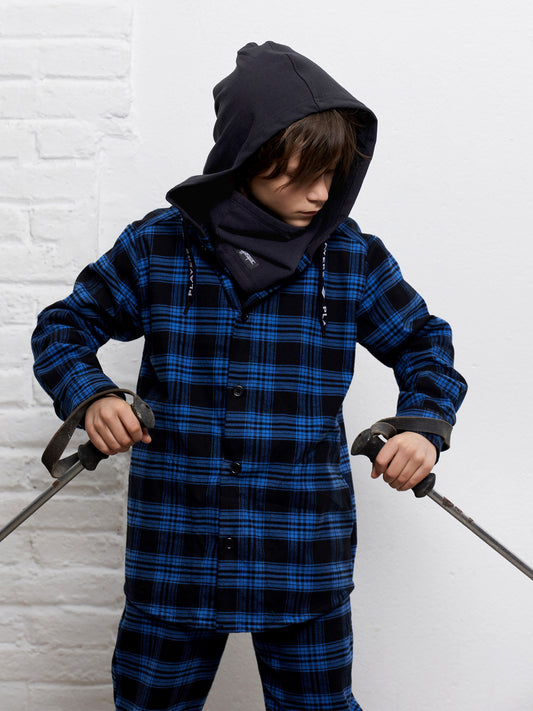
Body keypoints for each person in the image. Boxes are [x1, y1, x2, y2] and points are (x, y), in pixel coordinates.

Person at [32, 41, 467, 711]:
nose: (320, 194)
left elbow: (423, 343)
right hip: (175, 554)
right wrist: (90, 395)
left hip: (303, 556)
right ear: (247, 158)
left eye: (332, 175)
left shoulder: (352, 258)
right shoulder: (156, 247)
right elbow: (63, 327)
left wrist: (423, 426)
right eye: (300, 175)